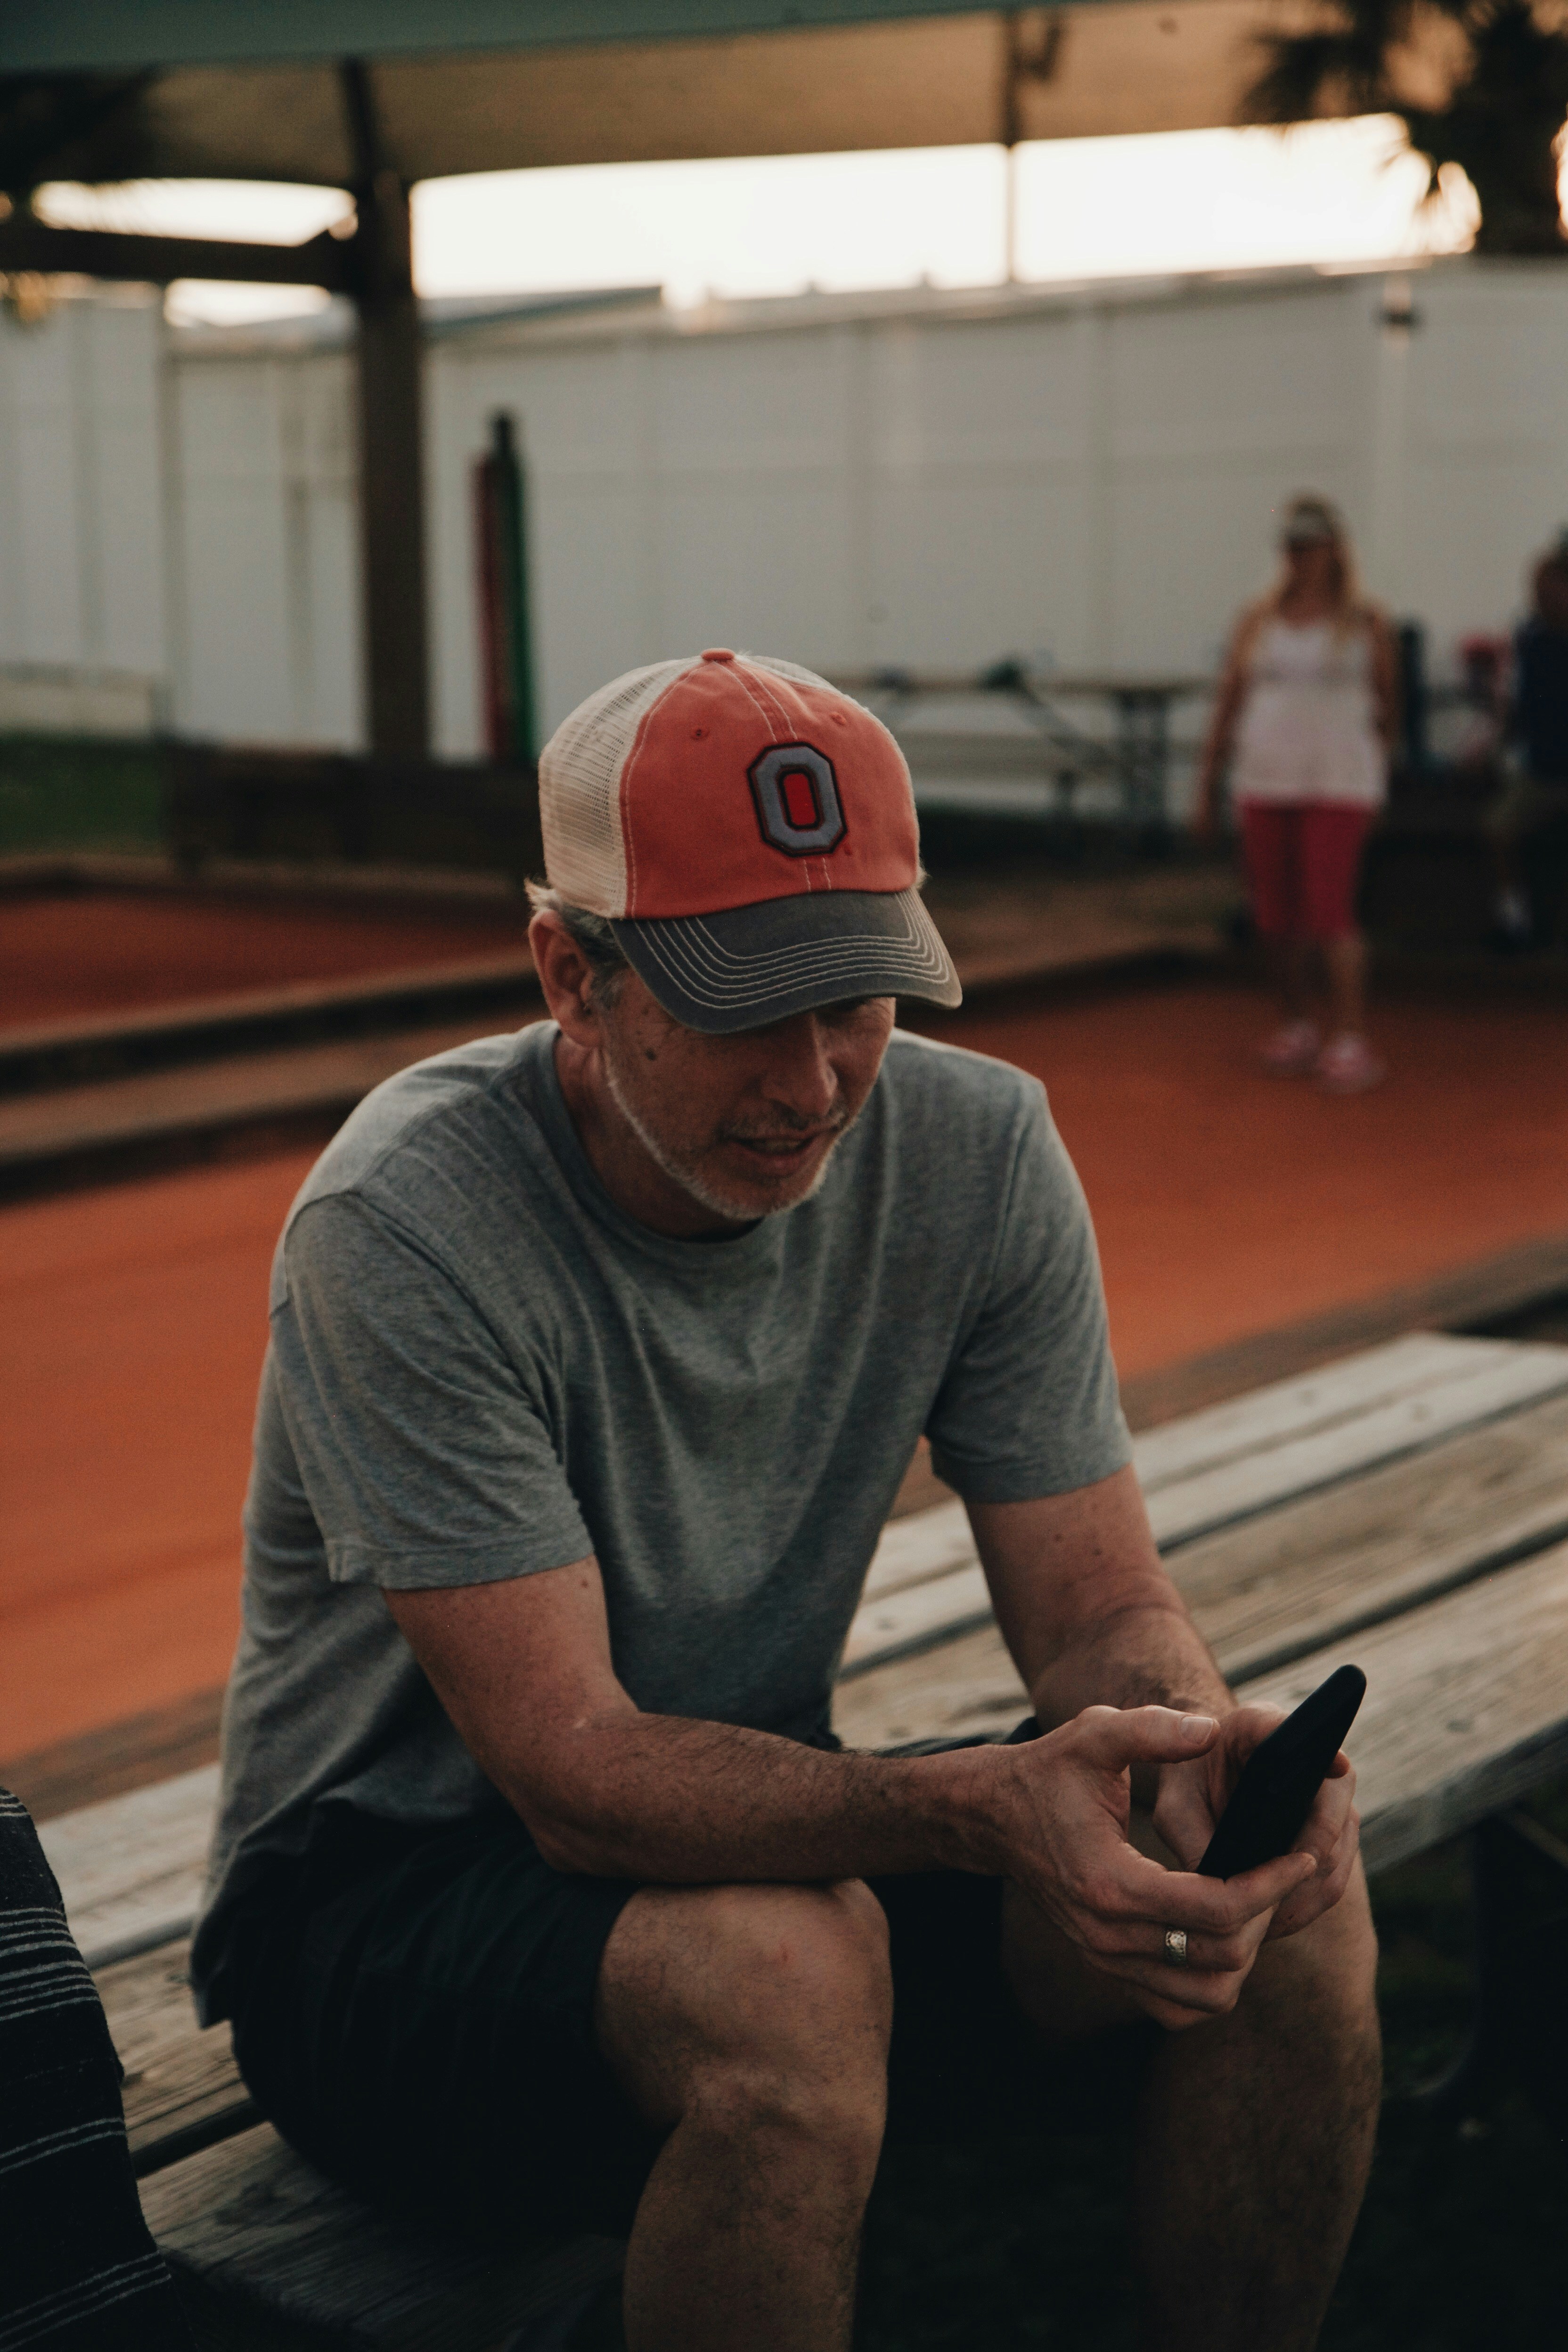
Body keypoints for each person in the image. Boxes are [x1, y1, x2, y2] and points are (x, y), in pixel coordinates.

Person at [191, 649, 1379, 2352]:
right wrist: (981, 1806)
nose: (819, 1077)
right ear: (569, 974)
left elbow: (1095, 1603)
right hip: (378, 1909)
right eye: (750, 1001)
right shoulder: (404, 1219)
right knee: (790, 1973)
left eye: (861, 994)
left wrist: (1185, 1756)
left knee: (1288, 1911)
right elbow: (576, 1778)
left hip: (769, 1844)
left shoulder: (978, 1150)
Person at [1194, 495, 1398, 1093]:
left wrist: (1379, 777)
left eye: (1312, 545)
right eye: (1292, 546)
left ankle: (1350, 1037)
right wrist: (1208, 782)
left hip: (1338, 781)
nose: (1301, 557)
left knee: (1329, 909)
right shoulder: (1257, 619)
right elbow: (1230, 701)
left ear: (1334, 548)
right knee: (1273, 916)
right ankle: (1298, 1023)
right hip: (1265, 778)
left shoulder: (1366, 622)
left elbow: (1388, 708)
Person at [1489, 530, 1568, 949]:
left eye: (1551, 587)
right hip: (1540, 772)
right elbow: (1510, 706)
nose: (1541, 596)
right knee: (1500, 828)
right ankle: (1513, 918)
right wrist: (1491, 745)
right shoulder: (1528, 640)